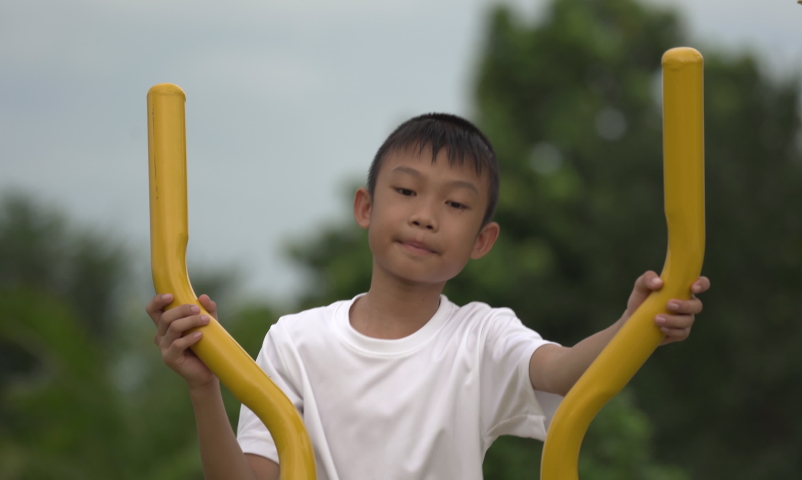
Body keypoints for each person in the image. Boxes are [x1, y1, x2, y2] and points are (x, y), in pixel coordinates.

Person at [146, 113, 710, 480]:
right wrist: (204, 389)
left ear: (482, 240)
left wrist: (634, 324)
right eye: (407, 191)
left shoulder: (481, 337)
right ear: (366, 207)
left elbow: (564, 372)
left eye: (456, 205)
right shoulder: (296, 341)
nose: (424, 216)